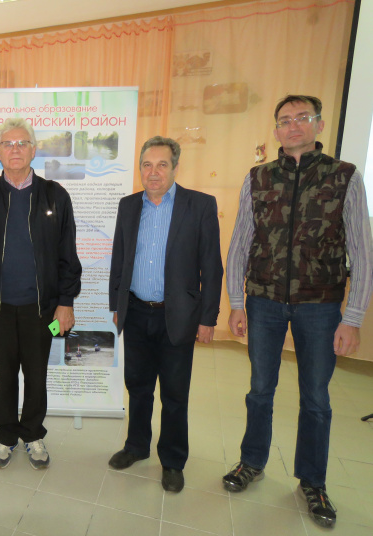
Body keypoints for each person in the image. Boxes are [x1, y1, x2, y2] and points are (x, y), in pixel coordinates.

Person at [223, 95, 373, 527]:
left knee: (316, 398)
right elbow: (240, 243)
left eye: (302, 118)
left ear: (318, 125)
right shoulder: (258, 177)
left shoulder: (344, 176)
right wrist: (236, 303)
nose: (293, 126)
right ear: (276, 130)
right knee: (259, 390)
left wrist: (353, 317)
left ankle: (313, 481)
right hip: (264, 301)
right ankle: (252, 461)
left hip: (320, 306)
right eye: (285, 120)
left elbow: (362, 251)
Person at [0, 117, 82, 470]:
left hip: (41, 309)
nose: (15, 149)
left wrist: (65, 302)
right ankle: (5, 436)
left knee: (36, 375)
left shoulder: (55, 196)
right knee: (4, 377)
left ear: (33, 150)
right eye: (8, 144)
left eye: (22, 143)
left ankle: (32, 434)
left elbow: (67, 254)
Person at [108, 136, 223, 492]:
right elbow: (119, 258)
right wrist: (117, 305)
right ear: (140, 168)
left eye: (161, 165)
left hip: (178, 316)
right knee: (138, 386)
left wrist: (207, 318)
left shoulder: (199, 205)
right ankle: (136, 446)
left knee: (174, 393)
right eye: (147, 165)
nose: (153, 172)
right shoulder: (129, 206)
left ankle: (172, 461)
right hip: (136, 312)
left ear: (175, 168)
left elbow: (211, 267)